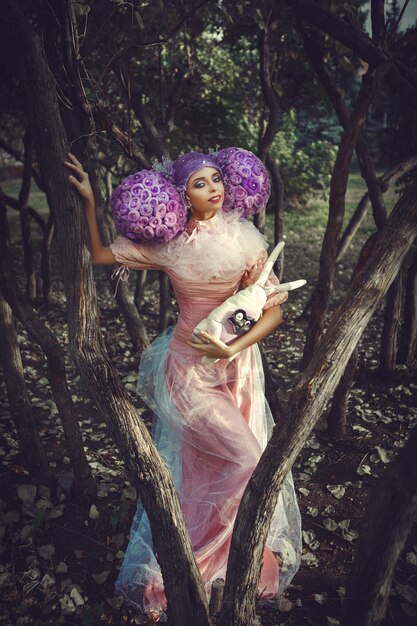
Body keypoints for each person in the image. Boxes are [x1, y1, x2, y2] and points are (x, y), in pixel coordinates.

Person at [65, 150, 301, 620]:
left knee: (228, 465)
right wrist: (90, 200)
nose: (213, 188)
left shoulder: (246, 237)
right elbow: (99, 255)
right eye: (199, 182)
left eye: (216, 178)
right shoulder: (170, 244)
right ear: (181, 195)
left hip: (238, 366)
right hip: (189, 369)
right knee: (232, 462)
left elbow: (274, 308)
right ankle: (189, 565)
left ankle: (236, 558)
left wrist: (235, 348)